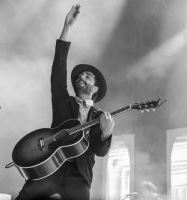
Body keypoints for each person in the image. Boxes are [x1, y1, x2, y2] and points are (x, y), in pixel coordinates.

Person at [15, 4, 115, 200]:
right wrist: (67, 27)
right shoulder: (63, 101)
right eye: (79, 76)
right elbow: (58, 69)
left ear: (95, 89)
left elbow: (100, 151)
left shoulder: (100, 117)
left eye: (87, 77)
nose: (81, 78)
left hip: (78, 179)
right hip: (49, 170)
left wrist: (106, 134)